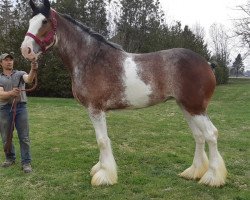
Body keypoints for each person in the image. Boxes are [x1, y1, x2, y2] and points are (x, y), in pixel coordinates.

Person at [0, 53, 37, 173]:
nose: (9, 62)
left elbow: (29, 79)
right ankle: (10, 158)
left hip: (21, 107)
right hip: (5, 109)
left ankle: (26, 162)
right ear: (1, 63)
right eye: (6, 60)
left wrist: (33, 68)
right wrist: (11, 93)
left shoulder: (20, 73)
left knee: (24, 137)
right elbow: (0, 95)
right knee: (6, 136)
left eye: (11, 59)